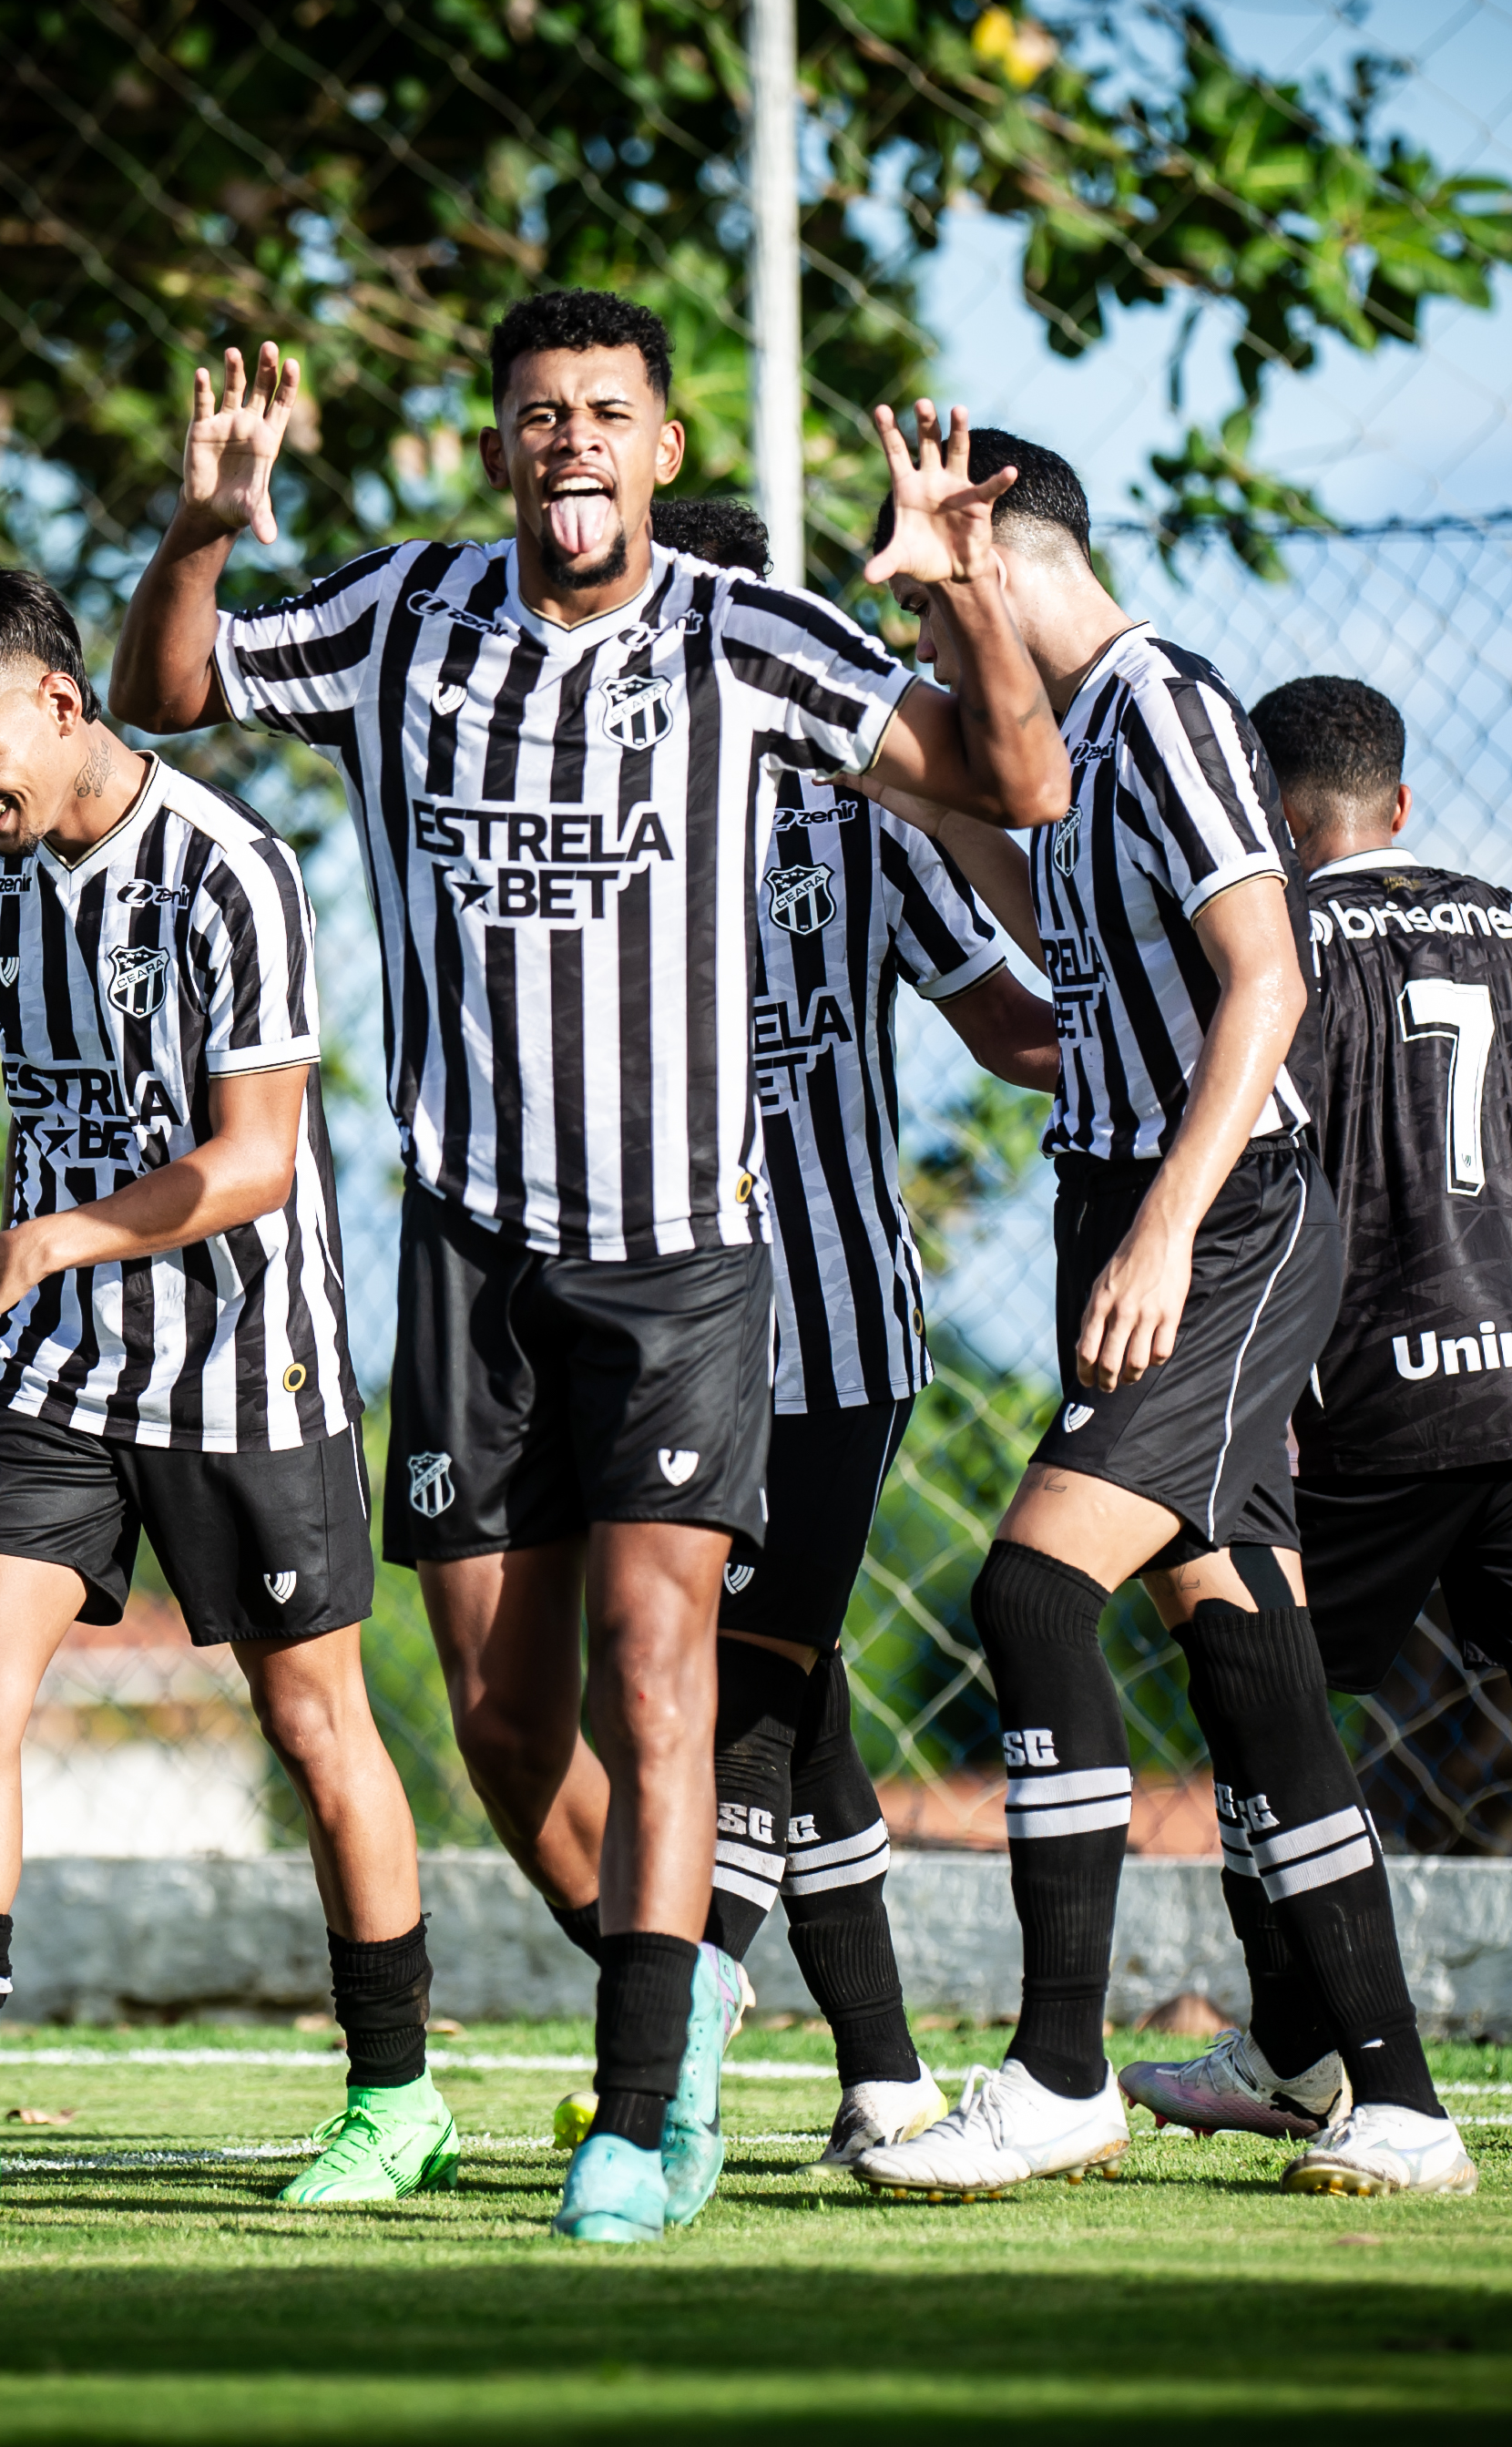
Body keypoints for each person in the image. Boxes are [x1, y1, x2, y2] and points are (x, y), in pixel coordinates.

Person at [109, 292, 1065, 2243]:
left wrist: (960, 594)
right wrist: (205, 521)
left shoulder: (754, 635)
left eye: (605, 416)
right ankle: (685, 2007)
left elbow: (1015, 782)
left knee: (665, 1675)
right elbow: (168, 691)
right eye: (537, 416)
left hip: (685, 1259)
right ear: (497, 450)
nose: (571, 445)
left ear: (661, 449)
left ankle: (649, 2103)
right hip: (468, 1253)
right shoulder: (401, 618)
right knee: (495, 1717)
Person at [845, 433, 1474, 2204]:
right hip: (1114, 1205)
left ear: (1001, 548)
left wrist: (1164, 1238)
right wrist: (934, 794)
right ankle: (1401, 2105)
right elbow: (1064, 924)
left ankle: (1057, 2075)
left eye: (933, 580)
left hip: (1224, 1218)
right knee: (1244, 1652)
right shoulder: (1070, 743)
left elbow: (1264, 980)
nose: (921, 625)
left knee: (1030, 1586)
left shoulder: (1172, 705)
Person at [0, 565, 455, 2214]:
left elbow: (252, 1165)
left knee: (315, 1723)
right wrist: (48, 1265)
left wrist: (31, 1244)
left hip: (247, 1351)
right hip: (68, 1351)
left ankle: (397, 2098)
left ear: (63, 705)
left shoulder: (234, 873)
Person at [1147, 673, 1512, 2159]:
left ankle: (1298, 2055)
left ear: (1274, 820)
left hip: (1360, 1410)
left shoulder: (1271, 947)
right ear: (1400, 803)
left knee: (1263, 1712)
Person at [613, 495, 1057, 2167]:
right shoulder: (596, 820)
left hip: (829, 1335)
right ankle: (882, 2078)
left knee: (749, 1682)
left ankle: (688, 2009)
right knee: (792, 1709)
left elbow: (1012, 1026)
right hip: (652, 1326)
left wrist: (1194, 1044)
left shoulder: (861, 816)